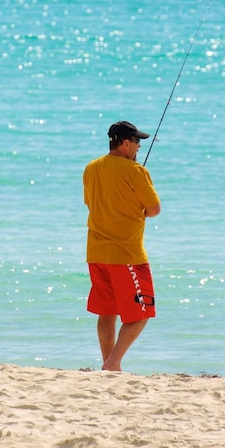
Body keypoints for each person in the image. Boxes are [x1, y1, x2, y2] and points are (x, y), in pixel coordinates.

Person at [82, 120, 161, 371]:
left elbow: (90, 203)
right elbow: (154, 209)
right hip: (127, 254)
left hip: (96, 253)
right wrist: (139, 211)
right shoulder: (136, 171)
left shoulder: (91, 168)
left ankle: (109, 365)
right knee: (143, 312)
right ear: (126, 143)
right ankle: (113, 363)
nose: (139, 147)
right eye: (137, 142)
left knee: (107, 312)